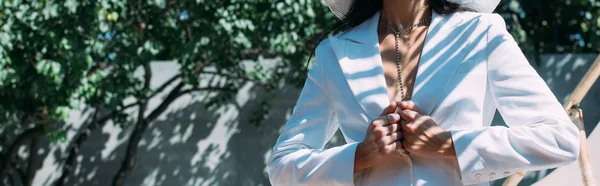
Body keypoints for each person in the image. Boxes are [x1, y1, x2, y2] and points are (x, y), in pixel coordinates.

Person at [265, 0, 580, 185]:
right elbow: (282, 166)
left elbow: (561, 140)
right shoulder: (334, 53)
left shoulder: (480, 33)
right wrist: (359, 156)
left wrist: (449, 144)